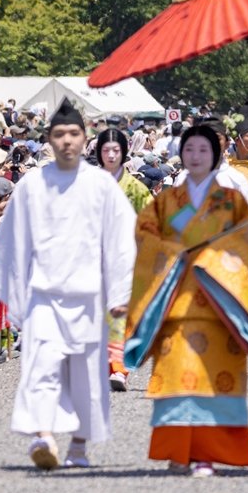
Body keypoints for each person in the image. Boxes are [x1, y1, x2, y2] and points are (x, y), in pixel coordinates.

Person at [0, 99, 137, 471]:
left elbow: (122, 241)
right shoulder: (32, 184)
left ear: (85, 139)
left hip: (89, 296)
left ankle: (79, 446)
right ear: (49, 140)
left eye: (74, 134)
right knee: (41, 367)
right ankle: (45, 436)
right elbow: (12, 242)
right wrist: (17, 294)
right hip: (44, 295)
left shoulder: (101, 185)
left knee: (84, 375)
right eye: (59, 134)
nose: (67, 141)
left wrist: (119, 294)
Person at [124, 124, 248, 477]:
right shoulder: (166, 202)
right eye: (189, 149)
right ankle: (178, 451)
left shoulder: (231, 200)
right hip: (176, 302)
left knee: (213, 381)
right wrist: (173, 253)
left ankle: (207, 453)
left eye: (203, 151)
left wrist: (213, 255)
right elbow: (145, 235)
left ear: (216, 155)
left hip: (220, 305)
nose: (195, 156)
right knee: (176, 378)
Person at [94, 128, 152, 393]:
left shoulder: (136, 188)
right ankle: (103, 368)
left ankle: (119, 369)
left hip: (126, 259)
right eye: (106, 150)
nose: (111, 155)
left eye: (116, 150)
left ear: (124, 153)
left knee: (120, 315)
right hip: (94, 259)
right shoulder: (89, 184)